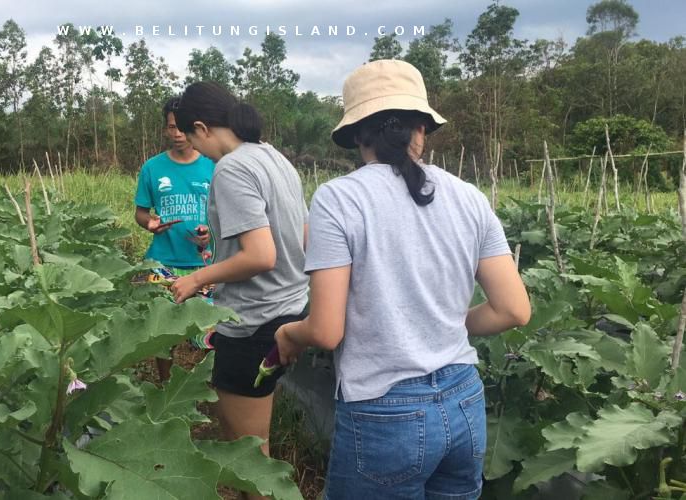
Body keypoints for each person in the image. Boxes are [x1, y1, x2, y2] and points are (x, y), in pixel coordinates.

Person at [273, 60, 531, 499]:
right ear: (423, 130)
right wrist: (446, 323)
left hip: (384, 410)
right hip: (465, 400)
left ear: (357, 134)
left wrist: (288, 333)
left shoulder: (339, 198)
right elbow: (514, 310)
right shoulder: (469, 197)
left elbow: (326, 331)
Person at [169, 82, 309, 480]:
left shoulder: (231, 168)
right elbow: (302, 237)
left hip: (254, 320)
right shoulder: (273, 157)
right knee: (247, 443)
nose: (197, 150)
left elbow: (260, 256)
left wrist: (198, 278)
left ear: (201, 127)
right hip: (289, 308)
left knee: (250, 457)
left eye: (193, 138)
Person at [134, 96, 216, 381]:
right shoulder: (152, 168)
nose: (177, 134)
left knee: (208, 328)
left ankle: (200, 382)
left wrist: (210, 233)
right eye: (171, 127)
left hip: (204, 264)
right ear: (165, 129)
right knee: (161, 330)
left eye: (181, 127)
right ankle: (165, 383)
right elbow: (141, 213)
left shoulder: (213, 166)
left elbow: (225, 213)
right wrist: (151, 223)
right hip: (162, 263)